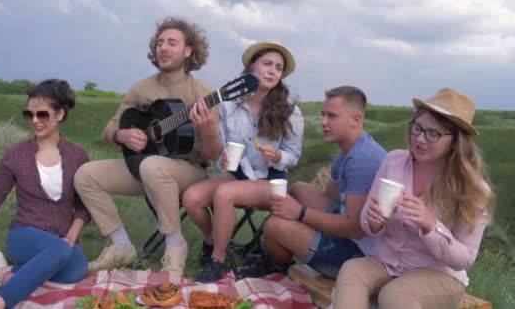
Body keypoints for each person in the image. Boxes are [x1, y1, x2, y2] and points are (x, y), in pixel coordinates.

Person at [74, 16, 222, 277]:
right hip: (146, 166)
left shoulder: (204, 94)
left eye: (172, 43)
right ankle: (121, 246)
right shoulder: (141, 88)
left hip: (188, 170)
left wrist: (208, 129)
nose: (163, 48)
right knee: (85, 175)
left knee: (152, 166)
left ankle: (175, 246)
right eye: (160, 43)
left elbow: (213, 154)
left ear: (188, 51)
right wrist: (123, 135)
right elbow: (109, 129)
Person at [332, 88, 495, 309]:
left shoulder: (474, 190)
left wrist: (430, 226)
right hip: (386, 263)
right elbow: (366, 223)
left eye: (433, 134)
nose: (419, 138)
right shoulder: (394, 161)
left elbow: (464, 259)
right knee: (352, 270)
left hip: (439, 275)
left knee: (395, 295)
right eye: (418, 127)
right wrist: (374, 222)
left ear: (456, 142)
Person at [0, 79, 91, 309]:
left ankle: (2, 269)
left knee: (77, 269)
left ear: (59, 115)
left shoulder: (78, 155)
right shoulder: (15, 154)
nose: (35, 121)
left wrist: (70, 237)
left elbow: (83, 207)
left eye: (42, 115)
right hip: (25, 234)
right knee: (59, 253)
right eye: (29, 115)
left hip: (61, 238)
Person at [181, 40, 305, 283]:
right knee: (191, 198)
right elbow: (219, 150)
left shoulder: (290, 110)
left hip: (269, 180)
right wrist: (223, 156)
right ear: (251, 68)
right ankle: (213, 241)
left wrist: (279, 156)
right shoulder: (229, 104)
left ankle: (216, 261)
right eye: (267, 64)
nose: (272, 71)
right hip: (238, 174)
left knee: (225, 194)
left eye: (278, 68)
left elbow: (293, 154)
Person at [261, 86, 386, 278]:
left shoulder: (363, 160)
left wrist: (299, 213)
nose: (324, 122)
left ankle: (277, 272)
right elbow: (329, 198)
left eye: (332, 116)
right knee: (299, 189)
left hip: (360, 255)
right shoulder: (350, 150)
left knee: (274, 226)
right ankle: (290, 246)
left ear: (356, 120)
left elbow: (355, 228)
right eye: (323, 115)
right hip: (351, 234)